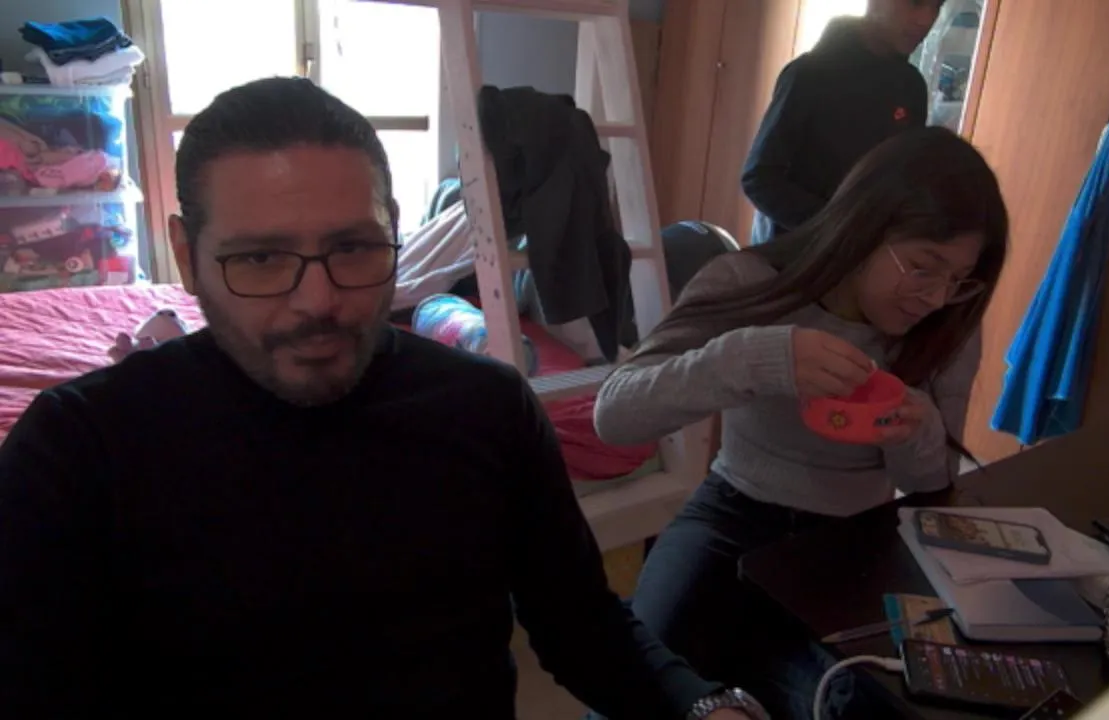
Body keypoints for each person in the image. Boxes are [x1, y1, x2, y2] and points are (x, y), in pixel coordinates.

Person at [0, 77, 764, 720]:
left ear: (395, 233)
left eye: (354, 248)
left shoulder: (488, 408)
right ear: (185, 254)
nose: (318, 302)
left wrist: (705, 707)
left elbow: (582, 625)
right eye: (260, 259)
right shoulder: (78, 450)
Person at [594, 127, 1009, 719]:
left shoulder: (949, 326)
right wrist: (753, 358)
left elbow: (930, 483)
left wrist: (917, 431)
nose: (937, 297)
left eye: (958, 278)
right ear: (864, 228)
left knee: (864, 703)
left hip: (857, 539)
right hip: (732, 514)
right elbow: (615, 413)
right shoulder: (749, 282)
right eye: (924, 266)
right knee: (636, 683)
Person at [742, 0, 944, 245]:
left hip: (865, 255)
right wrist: (837, 228)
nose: (926, 20)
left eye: (937, 6)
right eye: (915, 3)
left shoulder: (911, 86)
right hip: (793, 254)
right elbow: (759, 179)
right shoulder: (810, 73)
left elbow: (905, 176)